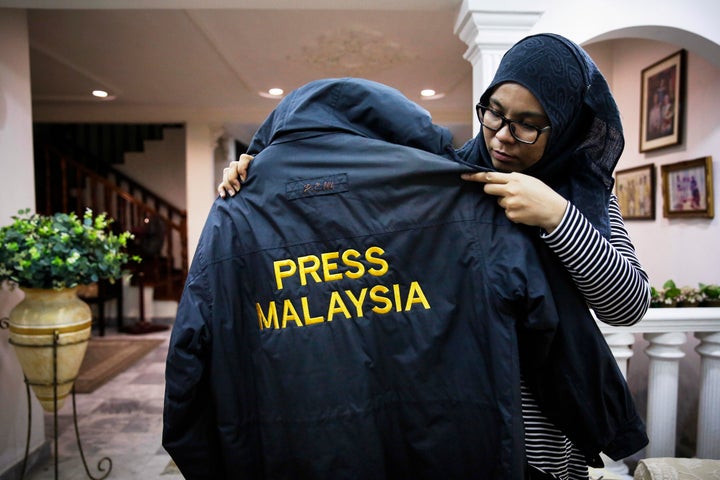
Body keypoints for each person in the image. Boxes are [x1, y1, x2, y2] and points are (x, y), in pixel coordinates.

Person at [217, 33, 650, 480]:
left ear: (563, 128)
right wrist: (263, 163)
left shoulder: (585, 199)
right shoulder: (451, 181)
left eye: (527, 124)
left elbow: (628, 305)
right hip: (457, 416)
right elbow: (351, 152)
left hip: (546, 427)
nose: (502, 136)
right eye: (494, 112)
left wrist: (556, 216)